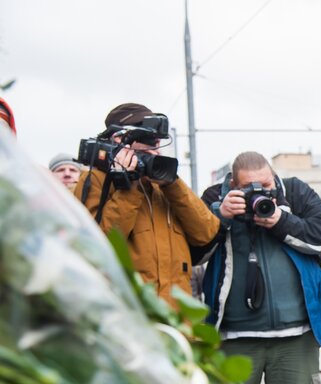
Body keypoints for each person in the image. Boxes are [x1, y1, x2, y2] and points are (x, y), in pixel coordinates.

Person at [199, 151, 321, 384]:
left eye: (266, 185)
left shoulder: (295, 192)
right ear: (233, 184)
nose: (260, 193)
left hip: (295, 337)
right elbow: (193, 252)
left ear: (273, 175)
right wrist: (221, 216)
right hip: (234, 337)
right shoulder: (214, 197)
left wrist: (281, 221)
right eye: (249, 187)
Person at [74, 103, 220, 304]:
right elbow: (99, 246)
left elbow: (207, 233)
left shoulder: (163, 182)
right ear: (119, 139)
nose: (156, 149)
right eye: (148, 140)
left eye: (157, 141)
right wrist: (129, 185)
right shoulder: (96, 179)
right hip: (131, 318)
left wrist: (173, 185)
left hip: (178, 320)